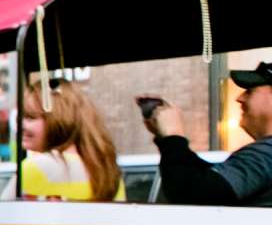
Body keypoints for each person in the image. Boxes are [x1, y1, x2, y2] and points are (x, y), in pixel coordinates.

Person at [140, 67, 272, 206]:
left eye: (250, 91)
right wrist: (167, 139)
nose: (240, 98)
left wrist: (172, 136)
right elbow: (209, 177)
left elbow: (193, 194)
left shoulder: (267, 154)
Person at [18, 79, 123, 200]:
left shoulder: (36, 167)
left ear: (58, 119)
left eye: (30, 117)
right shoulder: (108, 172)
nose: (21, 125)